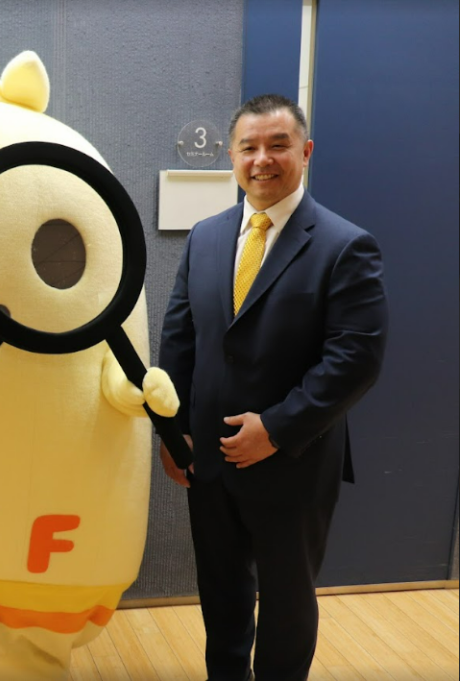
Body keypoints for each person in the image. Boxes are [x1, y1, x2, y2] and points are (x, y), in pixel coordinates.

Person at [158, 94, 388, 681]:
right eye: (249, 147)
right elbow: (180, 338)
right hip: (209, 460)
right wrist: (174, 433)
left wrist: (277, 429)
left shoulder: (345, 245)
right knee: (221, 593)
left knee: (287, 601)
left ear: (305, 152)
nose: (262, 159)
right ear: (233, 157)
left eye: (278, 145)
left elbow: (355, 358)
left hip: (294, 462)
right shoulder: (205, 238)